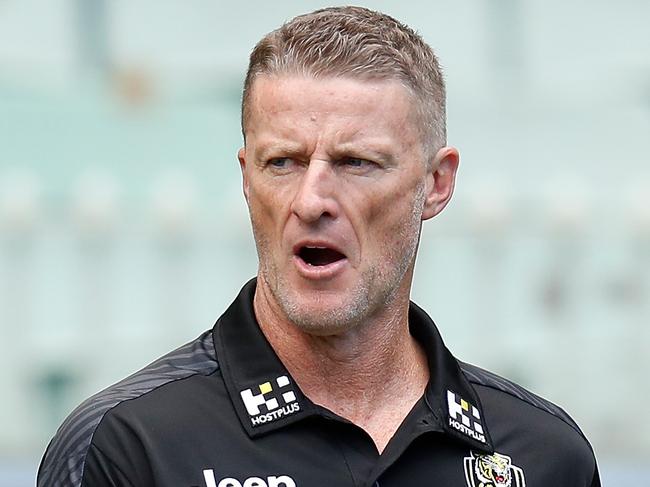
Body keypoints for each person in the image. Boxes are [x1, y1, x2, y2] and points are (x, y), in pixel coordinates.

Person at [38, 6, 600, 487]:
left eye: (356, 163)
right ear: (245, 178)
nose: (311, 201)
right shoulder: (130, 447)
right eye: (283, 162)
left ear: (436, 184)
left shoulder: (543, 455)